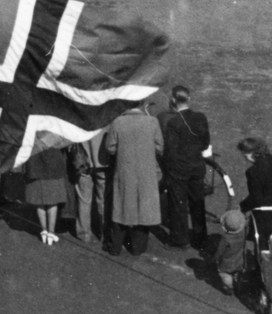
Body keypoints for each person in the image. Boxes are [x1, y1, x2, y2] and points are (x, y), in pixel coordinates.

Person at [104, 98, 164, 256]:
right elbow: (159, 146)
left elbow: (110, 148)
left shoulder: (118, 122)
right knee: (143, 208)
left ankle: (115, 246)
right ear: (144, 105)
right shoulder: (153, 122)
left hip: (125, 170)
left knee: (121, 205)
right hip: (146, 171)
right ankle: (138, 247)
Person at [158, 85, 212, 249]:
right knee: (197, 203)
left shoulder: (173, 122)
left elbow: (170, 151)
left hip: (179, 171)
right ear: (189, 99)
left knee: (178, 205)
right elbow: (205, 143)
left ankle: (180, 239)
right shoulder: (200, 117)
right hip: (197, 168)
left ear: (173, 100)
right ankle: (200, 237)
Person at [69, 127, 109, 244]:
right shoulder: (106, 117)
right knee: (102, 200)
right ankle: (104, 234)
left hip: (83, 162)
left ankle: (84, 234)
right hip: (103, 163)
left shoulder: (81, 114)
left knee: (84, 199)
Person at [25, 146, 68, 245]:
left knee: (40, 200)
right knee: (53, 200)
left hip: (35, 165)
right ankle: (51, 233)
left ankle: (44, 231)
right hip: (53, 165)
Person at [212, 209, 247, 296]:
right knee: (237, 273)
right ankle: (238, 284)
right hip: (239, 260)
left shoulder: (225, 238)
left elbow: (220, 251)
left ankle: (229, 287)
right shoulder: (243, 233)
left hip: (226, 263)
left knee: (225, 274)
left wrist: (215, 258)